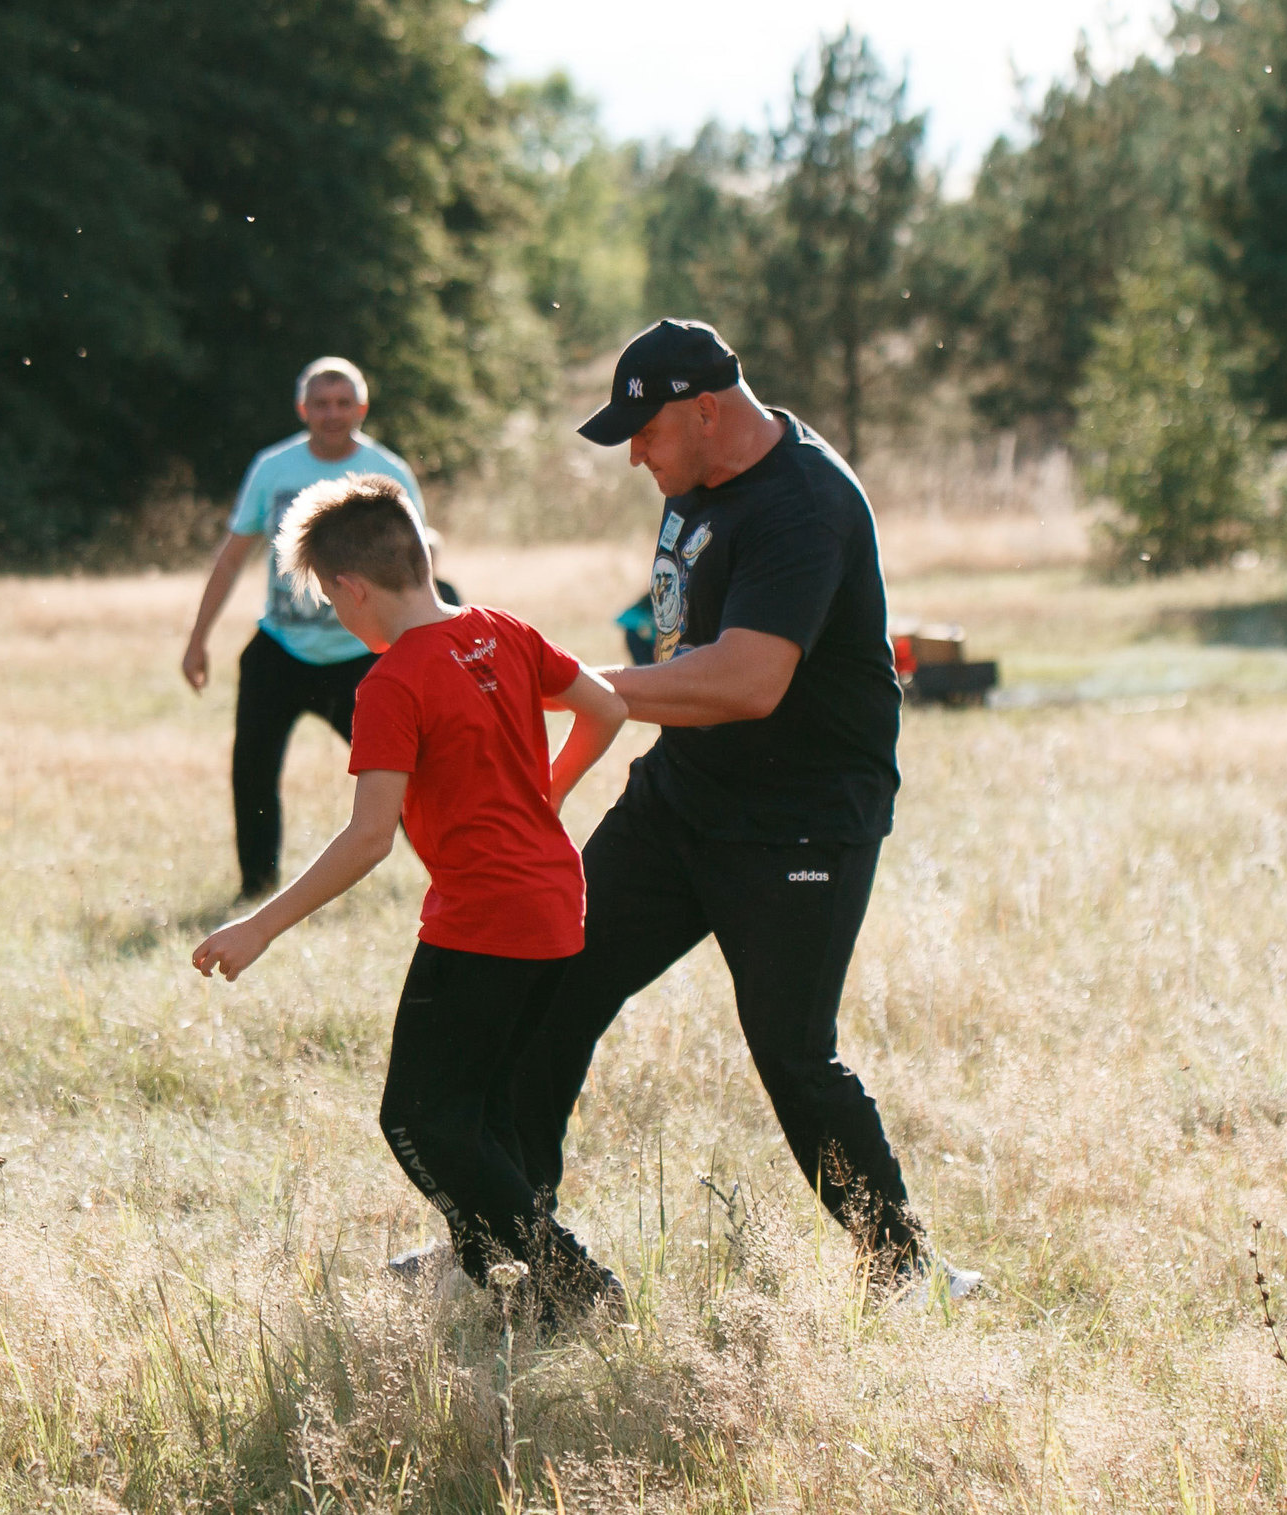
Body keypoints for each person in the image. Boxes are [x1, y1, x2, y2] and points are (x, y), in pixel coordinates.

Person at [509, 319, 977, 1304]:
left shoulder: (804, 506)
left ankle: (908, 1273)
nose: (634, 453)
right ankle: (512, 1245)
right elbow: (682, 647)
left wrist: (563, 686)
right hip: (685, 794)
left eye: (643, 433)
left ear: (706, 410)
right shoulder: (693, 486)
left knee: (791, 1050)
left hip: (800, 823)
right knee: (551, 980)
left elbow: (750, 679)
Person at [191, 474, 630, 1323]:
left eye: (327, 597)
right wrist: (550, 793)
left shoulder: (390, 683)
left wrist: (261, 925)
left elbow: (368, 836)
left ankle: (575, 1285)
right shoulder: (502, 630)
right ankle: (503, 1276)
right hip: (555, 903)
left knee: (419, 1121)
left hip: (484, 919)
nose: (335, 612)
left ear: (352, 588)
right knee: (484, 1110)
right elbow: (606, 707)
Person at [181, 359, 426, 898]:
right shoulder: (273, 468)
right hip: (282, 648)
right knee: (253, 772)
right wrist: (198, 639)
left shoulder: (389, 473)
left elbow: (420, 563)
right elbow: (230, 559)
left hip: (361, 652)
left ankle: (449, 871)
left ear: (362, 408)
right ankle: (257, 888)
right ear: (302, 409)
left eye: (344, 403)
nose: (332, 413)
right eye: (321, 403)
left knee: (406, 778)